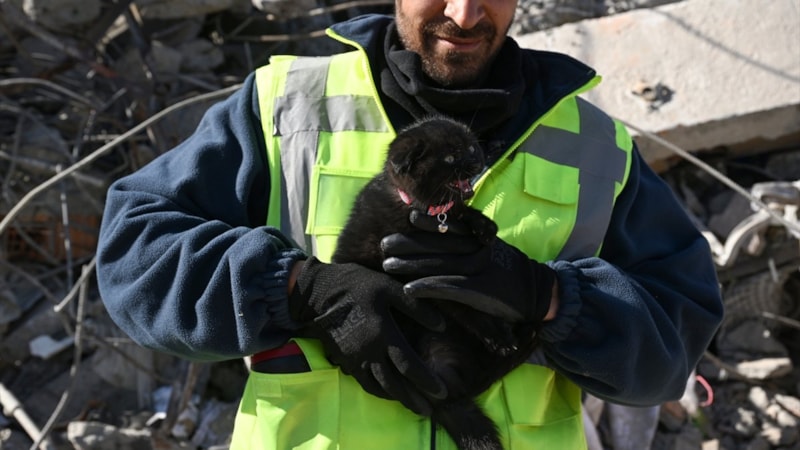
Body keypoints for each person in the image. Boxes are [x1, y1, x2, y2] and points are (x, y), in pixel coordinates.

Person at [95, 0, 724, 447]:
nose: (465, 13)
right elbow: (135, 254)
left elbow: (676, 338)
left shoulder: (595, 145)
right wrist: (299, 288)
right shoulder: (286, 106)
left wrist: (552, 297)